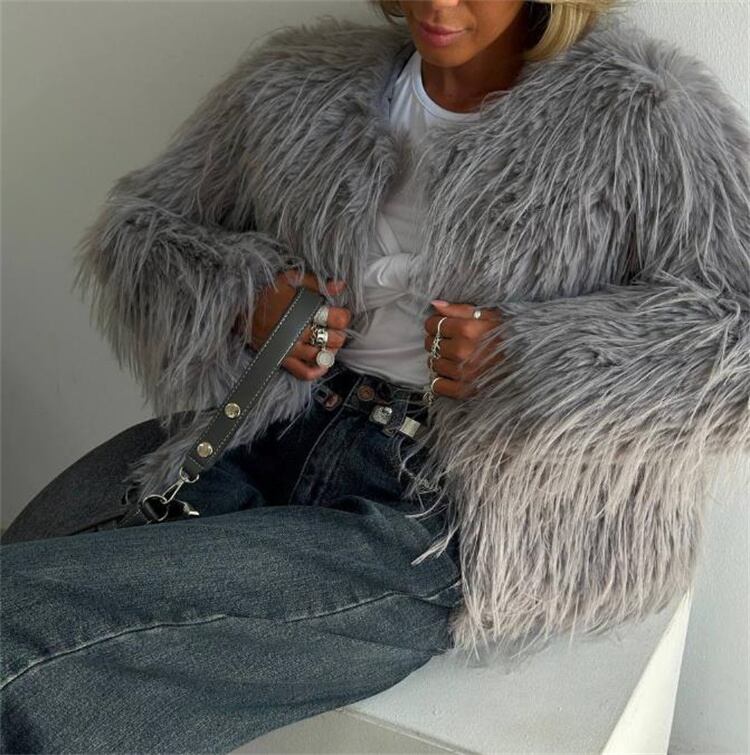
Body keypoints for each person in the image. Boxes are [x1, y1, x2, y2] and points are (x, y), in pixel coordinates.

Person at [2, 0, 749, 751]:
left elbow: (736, 327)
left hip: (444, 507)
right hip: (263, 429)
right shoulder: (296, 80)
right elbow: (138, 227)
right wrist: (245, 300)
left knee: (26, 643)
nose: (436, 3)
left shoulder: (646, 114)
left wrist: (530, 354)